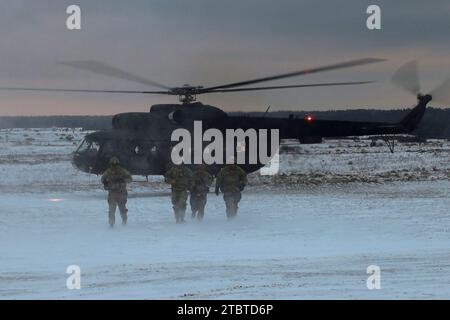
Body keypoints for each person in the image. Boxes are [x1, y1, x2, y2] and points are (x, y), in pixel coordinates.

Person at [101, 157, 132, 227]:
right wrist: (106, 183)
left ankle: (124, 221)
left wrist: (123, 180)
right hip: (112, 193)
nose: (114, 166)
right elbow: (102, 179)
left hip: (121, 192)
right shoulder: (108, 171)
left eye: (115, 164)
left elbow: (130, 179)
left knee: (122, 209)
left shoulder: (123, 171)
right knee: (112, 209)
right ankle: (111, 223)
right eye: (113, 164)